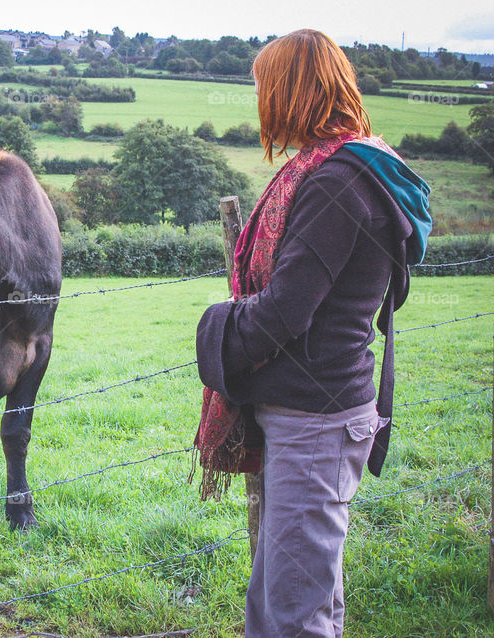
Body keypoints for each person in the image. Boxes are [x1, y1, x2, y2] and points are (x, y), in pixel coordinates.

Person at [191, 29, 432, 637]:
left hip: (314, 420)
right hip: (313, 410)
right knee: (281, 597)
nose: (261, 104)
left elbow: (284, 313)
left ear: (295, 92)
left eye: (266, 89)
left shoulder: (337, 184)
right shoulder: (352, 167)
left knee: (296, 612)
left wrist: (211, 329)